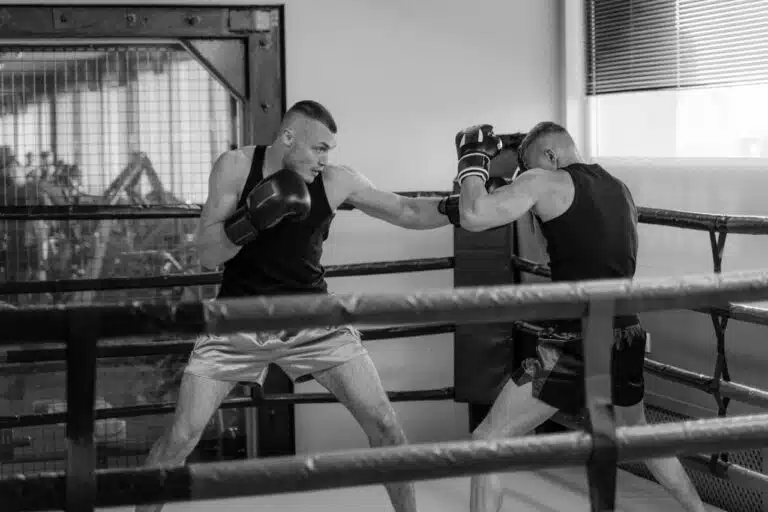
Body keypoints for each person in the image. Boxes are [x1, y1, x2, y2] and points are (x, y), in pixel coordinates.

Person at [137, 100, 454, 512]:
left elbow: (407, 210)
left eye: (330, 150)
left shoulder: (337, 181)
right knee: (180, 436)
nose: (325, 160)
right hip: (237, 321)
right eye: (319, 148)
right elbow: (207, 256)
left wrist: (459, 207)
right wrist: (251, 220)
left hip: (314, 322)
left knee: (385, 425)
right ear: (288, 138)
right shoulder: (235, 167)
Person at [448, 122, 706, 512]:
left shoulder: (544, 180)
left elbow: (473, 215)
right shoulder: (621, 189)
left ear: (550, 156)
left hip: (575, 344)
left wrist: (473, 160)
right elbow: (576, 242)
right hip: (624, 331)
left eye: (530, 165)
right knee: (637, 434)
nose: (526, 175)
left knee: (487, 439)